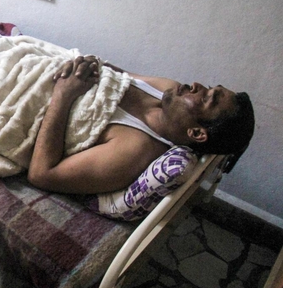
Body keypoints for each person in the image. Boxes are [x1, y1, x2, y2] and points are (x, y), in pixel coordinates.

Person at [28, 55, 255, 194]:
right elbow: (114, 72)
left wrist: (63, 94)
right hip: (36, 63)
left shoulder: (133, 151)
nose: (195, 85)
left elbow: (42, 174)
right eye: (209, 87)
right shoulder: (167, 88)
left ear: (196, 133)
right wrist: (86, 64)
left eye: (205, 98)